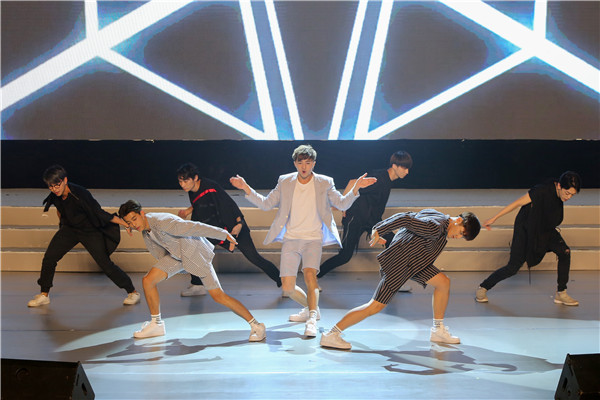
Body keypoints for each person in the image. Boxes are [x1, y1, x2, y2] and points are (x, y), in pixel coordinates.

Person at [230, 144, 376, 337]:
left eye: (308, 162)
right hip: (291, 239)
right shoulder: (285, 181)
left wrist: (356, 188)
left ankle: (311, 319)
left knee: (310, 275)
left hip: (313, 238)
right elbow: (266, 204)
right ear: (295, 164)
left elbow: (342, 204)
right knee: (288, 287)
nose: (304, 166)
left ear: (314, 163)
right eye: (300, 163)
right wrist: (245, 188)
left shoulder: (325, 182)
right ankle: (311, 308)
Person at [320, 209, 481, 350]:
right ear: (458, 220)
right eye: (461, 233)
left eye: (462, 236)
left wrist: (386, 233)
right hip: (399, 264)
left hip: (416, 263)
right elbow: (405, 219)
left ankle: (438, 330)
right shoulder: (435, 227)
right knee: (374, 306)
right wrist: (379, 229)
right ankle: (331, 334)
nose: (458, 237)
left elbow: (409, 218)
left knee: (443, 282)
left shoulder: (438, 217)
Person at [118, 199, 266, 341]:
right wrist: (128, 224)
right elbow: (160, 250)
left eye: (134, 219)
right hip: (177, 256)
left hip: (195, 254)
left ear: (142, 213)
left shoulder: (162, 222)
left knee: (219, 296)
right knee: (148, 280)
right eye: (129, 223)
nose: (133, 225)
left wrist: (222, 233)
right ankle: (156, 324)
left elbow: (193, 226)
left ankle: (257, 326)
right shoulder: (145, 229)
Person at [27, 165, 140, 307]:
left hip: (90, 231)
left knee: (105, 264)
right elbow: (60, 210)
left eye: (57, 185)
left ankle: (133, 292)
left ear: (65, 180)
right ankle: (44, 295)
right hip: (70, 229)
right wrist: (62, 227)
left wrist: (124, 223)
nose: (54, 189)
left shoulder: (81, 194)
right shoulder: (55, 195)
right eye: (51, 186)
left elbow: (99, 213)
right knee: (49, 258)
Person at [475, 171, 581, 306]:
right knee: (513, 267)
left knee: (565, 252)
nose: (569, 197)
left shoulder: (560, 193)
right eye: (567, 193)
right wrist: (494, 218)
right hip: (526, 231)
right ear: (559, 185)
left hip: (546, 229)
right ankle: (483, 287)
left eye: (572, 195)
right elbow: (517, 203)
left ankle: (561, 293)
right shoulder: (541, 191)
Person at [176, 163, 281, 297]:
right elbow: (198, 202)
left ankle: (284, 283)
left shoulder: (211, 187)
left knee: (255, 258)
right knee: (193, 248)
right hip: (215, 229)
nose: (183, 185)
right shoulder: (192, 190)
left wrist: (239, 223)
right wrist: (188, 211)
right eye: (180, 181)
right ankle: (198, 285)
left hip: (234, 228)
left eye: (185, 181)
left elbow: (229, 204)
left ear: (195, 178)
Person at [318, 150, 413, 280]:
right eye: (404, 168)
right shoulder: (379, 178)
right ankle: (315, 276)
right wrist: (343, 204)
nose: (407, 172)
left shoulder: (387, 180)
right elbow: (353, 182)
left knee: (393, 241)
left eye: (408, 168)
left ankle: (392, 279)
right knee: (344, 256)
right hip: (355, 219)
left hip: (371, 220)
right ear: (395, 166)